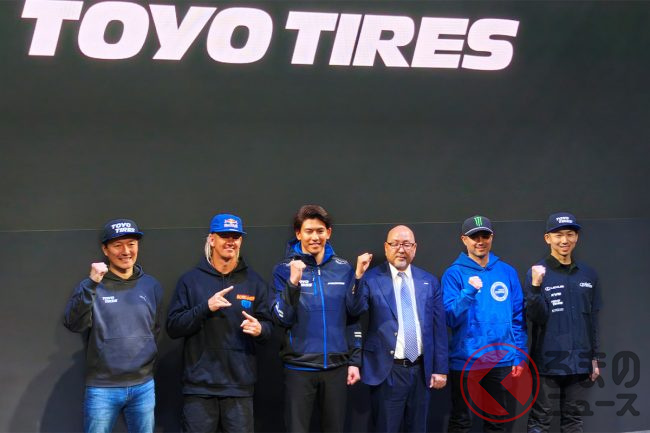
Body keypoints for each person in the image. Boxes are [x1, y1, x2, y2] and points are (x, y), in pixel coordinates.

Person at [166, 213, 273, 433]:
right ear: (212, 239)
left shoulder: (254, 282)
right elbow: (173, 327)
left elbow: (269, 328)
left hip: (239, 388)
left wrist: (260, 329)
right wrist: (206, 307)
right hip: (199, 389)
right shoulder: (190, 281)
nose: (231, 241)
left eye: (236, 236)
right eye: (225, 236)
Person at [270, 204, 365, 433]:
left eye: (320, 231)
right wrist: (293, 282)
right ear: (298, 233)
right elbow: (282, 318)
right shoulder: (283, 270)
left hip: (336, 367)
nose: (315, 237)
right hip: (298, 367)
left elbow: (354, 315)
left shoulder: (344, 268)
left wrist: (355, 361)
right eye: (309, 231)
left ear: (328, 233)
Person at [64, 218, 163, 433]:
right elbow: (73, 323)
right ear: (105, 250)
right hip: (102, 387)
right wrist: (91, 284)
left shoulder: (151, 285)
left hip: (143, 386)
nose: (126, 251)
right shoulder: (92, 285)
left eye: (131, 244)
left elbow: (154, 329)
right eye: (118, 245)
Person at [347, 225, 448, 432]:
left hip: (421, 371)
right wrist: (358, 275)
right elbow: (354, 309)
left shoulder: (429, 281)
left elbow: (438, 329)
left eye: (406, 244)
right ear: (386, 248)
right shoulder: (371, 279)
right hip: (387, 371)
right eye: (395, 244)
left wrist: (440, 368)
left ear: (415, 248)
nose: (401, 249)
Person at [443, 215, 527, 433]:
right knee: (461, 422)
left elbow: (518, 317)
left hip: (501, 358)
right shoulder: (454, 274)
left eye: (485, 236)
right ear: (464, 240)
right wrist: (468, 292)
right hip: (466, 361)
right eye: (474, 237)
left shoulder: (507, 272)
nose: (480, 241)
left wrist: (519, 354)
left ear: (492, 237)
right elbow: (449, 317)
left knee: (497, 422)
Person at [525, 212, 601, 433]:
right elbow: (535, 317)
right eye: (558, 235)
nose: (564, 240)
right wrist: (536, 287)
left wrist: (594, 357)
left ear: (576, 237)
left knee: (574, 419)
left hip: (579, 360)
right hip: (547, 361)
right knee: (541, 419)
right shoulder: (537, 272)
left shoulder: (588, 274)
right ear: (547, 238)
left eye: (570, 234)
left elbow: (592, 319)